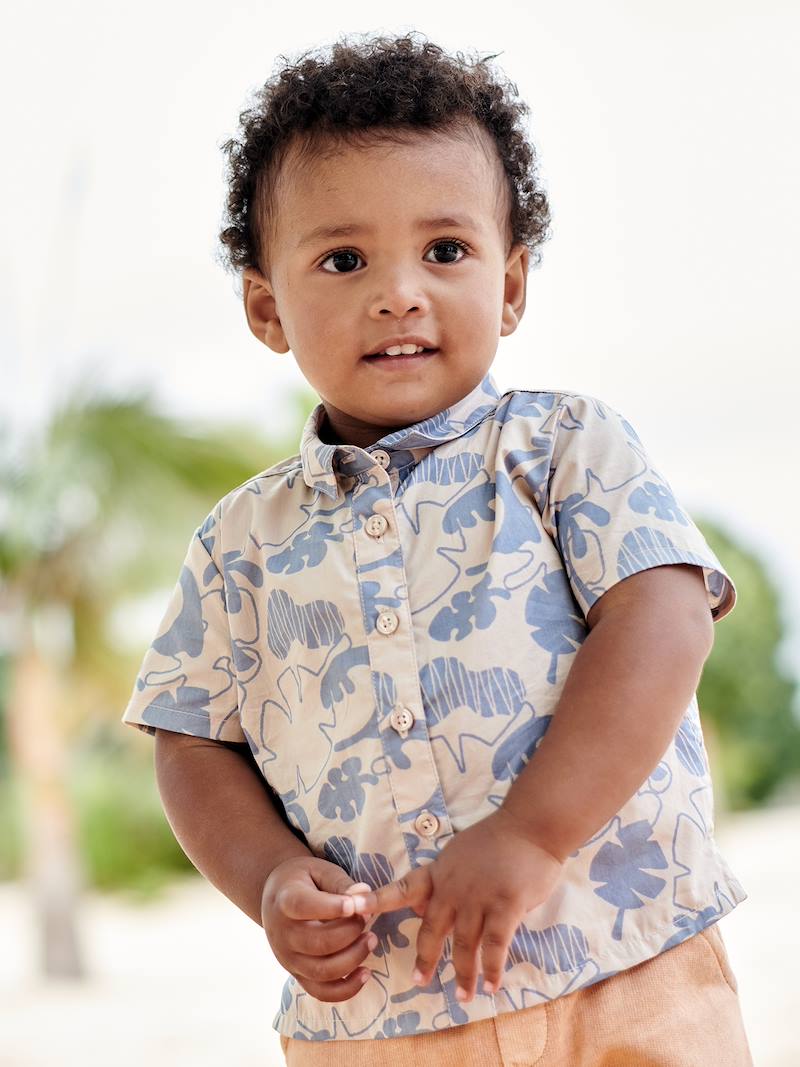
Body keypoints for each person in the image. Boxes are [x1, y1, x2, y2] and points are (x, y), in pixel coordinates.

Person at [121, 30, 754, 1066]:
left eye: (446, 251)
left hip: (624, 961)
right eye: (344, 260)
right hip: (380, 1012)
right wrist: (267, 877)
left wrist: (533, 831)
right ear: (266, 306)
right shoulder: (237, 543)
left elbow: (663, 617)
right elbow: (192, 740)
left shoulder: (566, 448)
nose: (399, 292)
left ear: (511, 285)